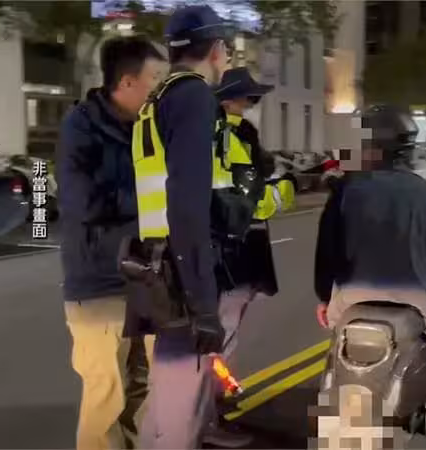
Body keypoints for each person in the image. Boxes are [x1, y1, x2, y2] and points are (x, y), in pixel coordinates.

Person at [314, 105, 426, 447]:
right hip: (418, 294)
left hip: (352, 296)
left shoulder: (346, 191)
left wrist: (325, 297)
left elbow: (326, 253)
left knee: (339, 342)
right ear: (406, 146)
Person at [126, 5, 236, 448]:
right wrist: (203, 305)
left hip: (156, 264)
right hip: (179, 272)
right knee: (178, 408)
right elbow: (187, 205)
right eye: (227, 47)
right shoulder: (193, 98)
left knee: (163, 400)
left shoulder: (157, 99)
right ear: (216, 49)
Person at [57, 36, 166, 449]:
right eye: (155, 78)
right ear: (127, 81)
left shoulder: (148, 128)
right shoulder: (80, 126)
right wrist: (151, 198)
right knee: (106, 398)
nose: (160, 88)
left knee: (147, 389)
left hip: (147, 279)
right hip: (99, 283)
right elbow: (81, 201)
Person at [203, 67, 296, 447]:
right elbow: (246, 202)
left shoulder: (221, 134)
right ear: (230, 100)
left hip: (225, 252)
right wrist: (283, 189)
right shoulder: (229, 137)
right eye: (247, 97)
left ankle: (212, 406)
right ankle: (209, 414)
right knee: (221, 336)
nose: (251, 104)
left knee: (220, 334)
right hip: (234, 254)